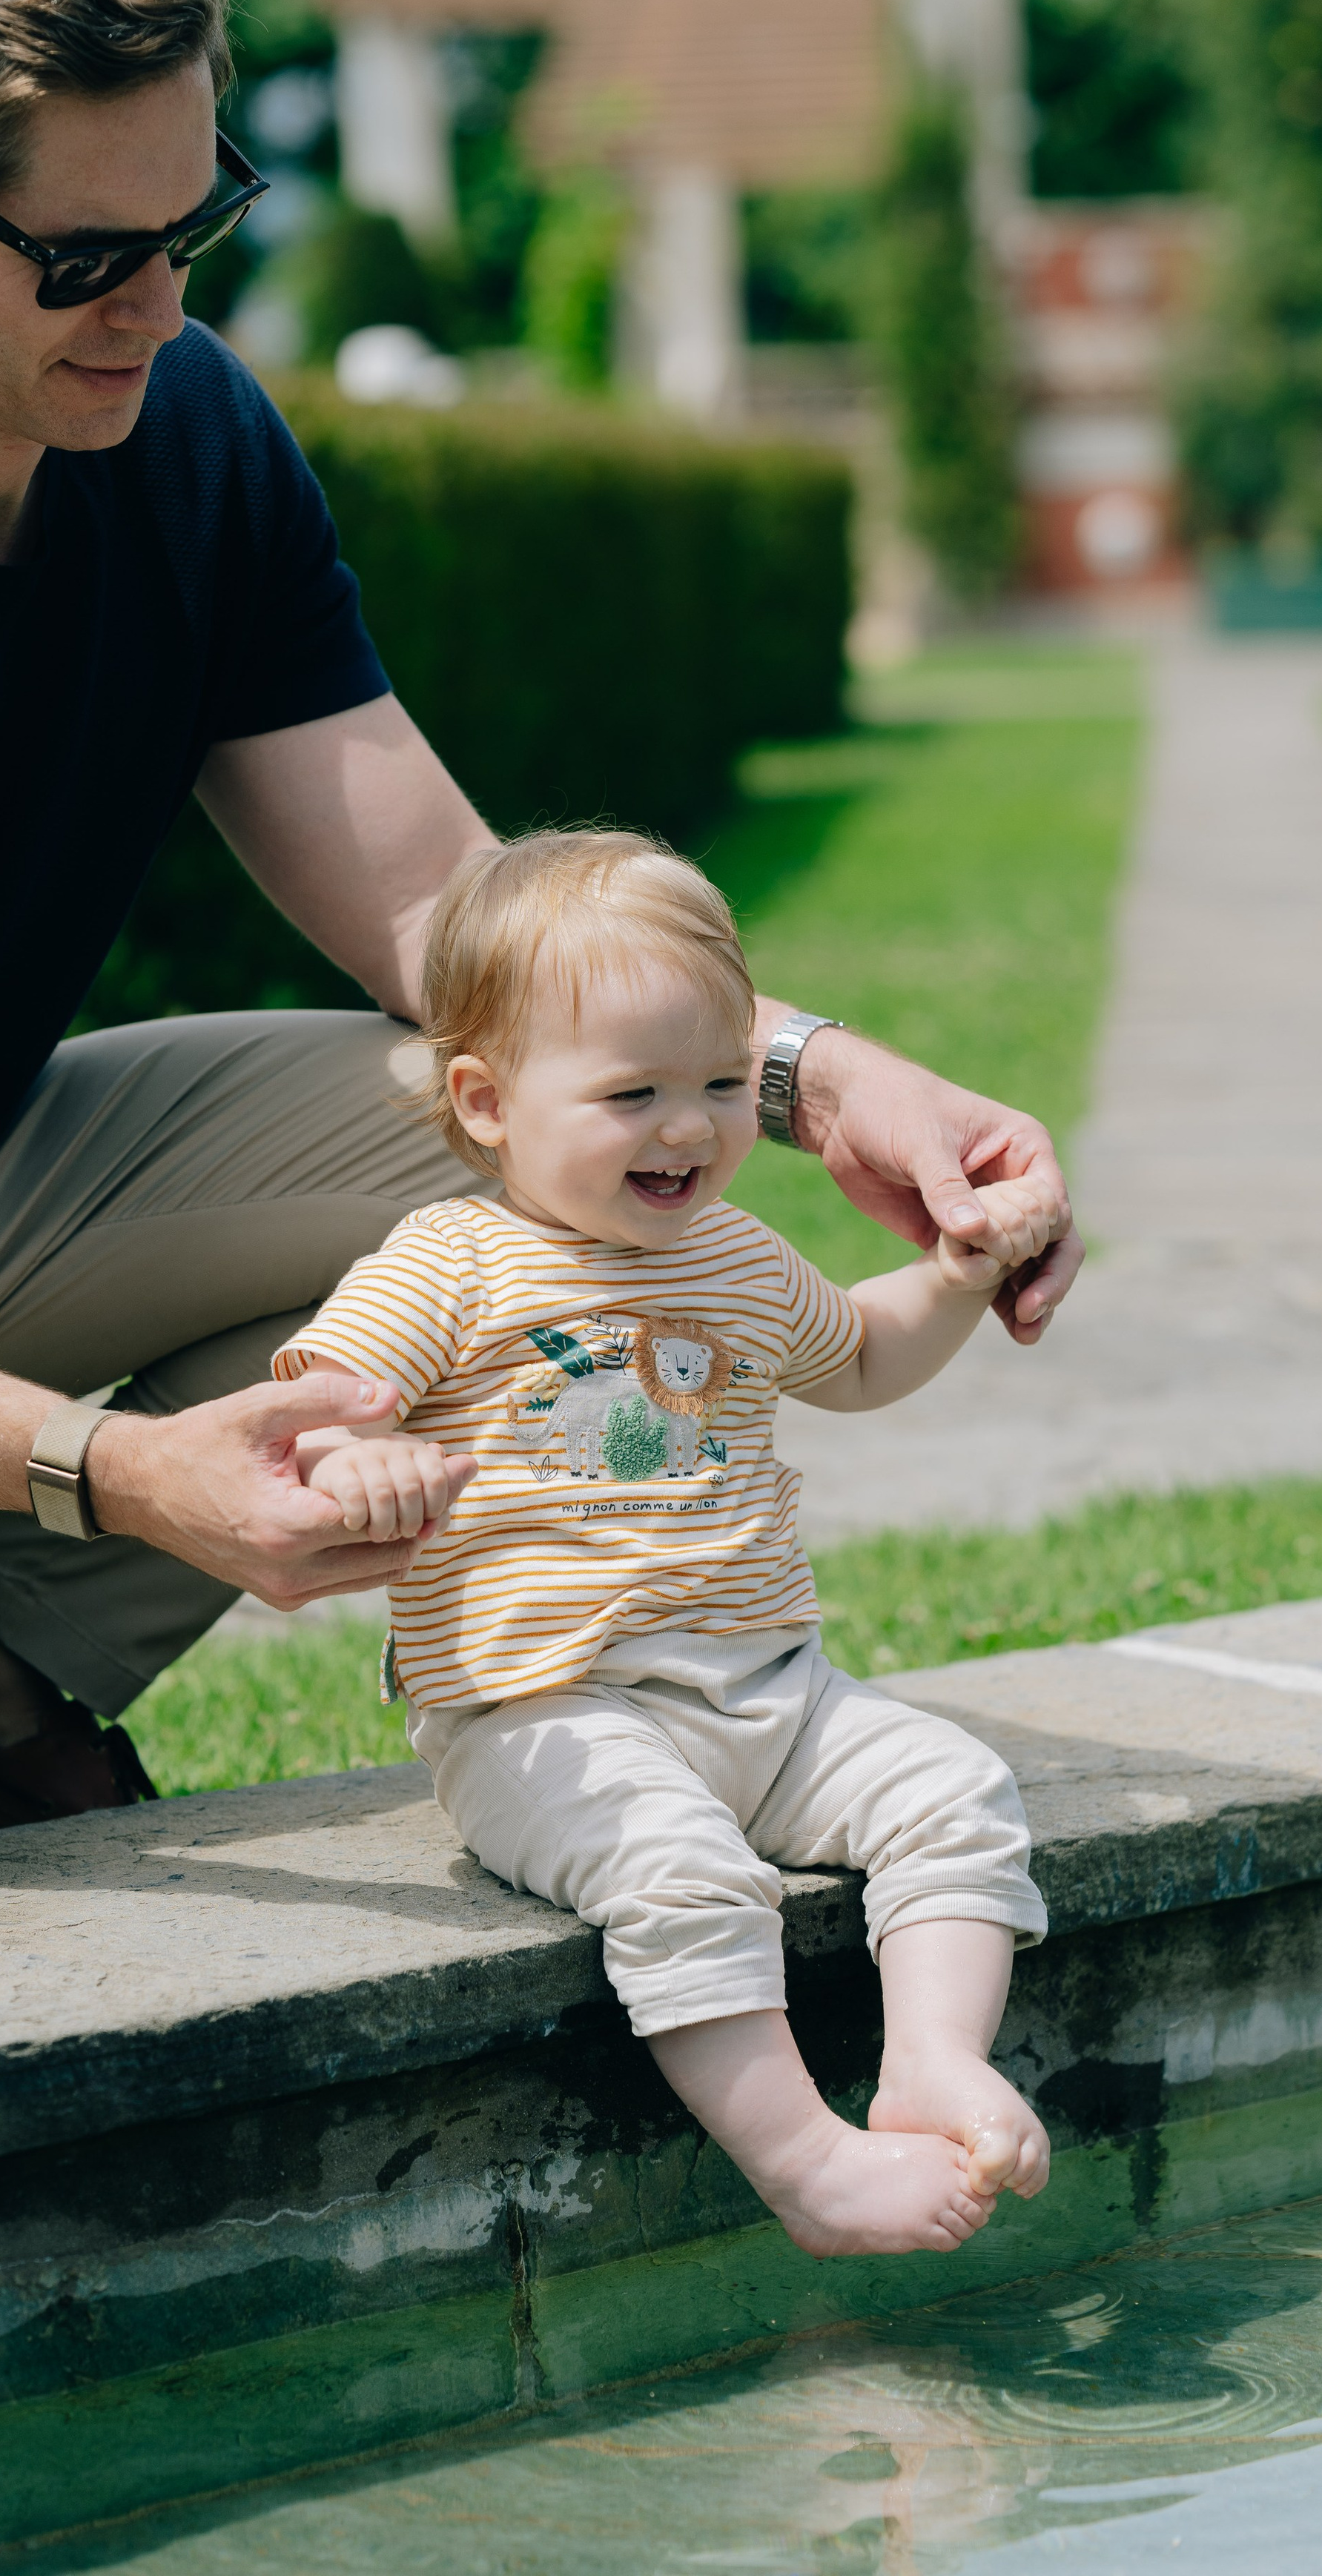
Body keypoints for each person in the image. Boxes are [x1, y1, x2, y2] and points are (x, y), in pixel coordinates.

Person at [0, 0, 1080, 1932]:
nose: (154, 303)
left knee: (535, 1131)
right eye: (83, 256)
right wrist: (117, 1468)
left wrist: (814, 1075)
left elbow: (451, 924)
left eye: (194, 222)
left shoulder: (185, 438)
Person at [274, 832, 1052, 2258]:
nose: (687, 1128)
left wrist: (956, 1273)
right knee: (680, 1873)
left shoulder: (739, 1258)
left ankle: (935, 2054)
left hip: (774, 1691)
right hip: (544, 1712)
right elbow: (320, 1405)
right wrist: (359, 1453)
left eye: (713, 1085)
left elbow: (863, 1357)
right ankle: (802, 2160)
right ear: (487, 1101)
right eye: (632, 1094)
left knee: (955, 1786)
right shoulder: (450, 1263)